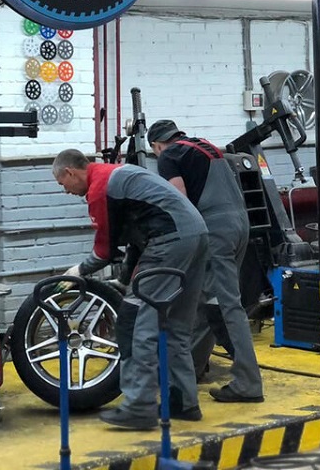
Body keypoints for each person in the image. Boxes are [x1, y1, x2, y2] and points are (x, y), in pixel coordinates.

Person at [53, 148, 208, 429]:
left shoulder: (100, 188)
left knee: (135, 322)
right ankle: (183, 402)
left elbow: (104, 250)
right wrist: (125, 280)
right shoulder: (116, 175)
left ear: (70, 172)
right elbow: (137, 238)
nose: (66, 191)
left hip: (169, 241)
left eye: (63, 184)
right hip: (196, 235)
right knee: (176, 326)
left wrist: (78, 270)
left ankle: (139, 407)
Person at [147, 119, 264, 404]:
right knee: (204, 299)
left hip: (216, 231)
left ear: (157, 145)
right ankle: (192, 368)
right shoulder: (206, 146)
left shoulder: (169, 156)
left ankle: (249, 383)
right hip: (240, 226)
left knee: (227, 306)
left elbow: (180, 202)